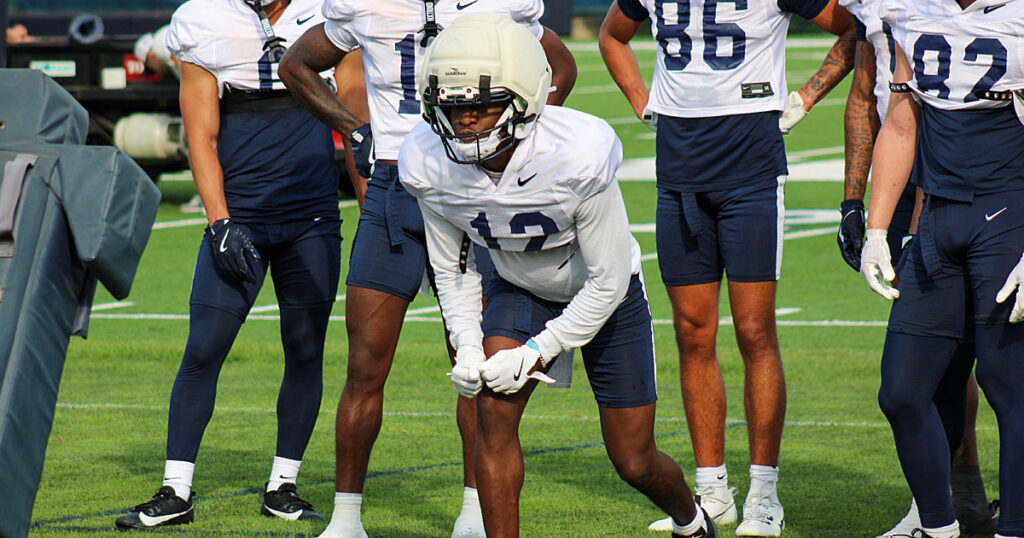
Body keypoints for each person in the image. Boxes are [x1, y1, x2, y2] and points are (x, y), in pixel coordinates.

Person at [396, 14, 715, 538]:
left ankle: (691, 519)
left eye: (481, 105)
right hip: (518, 284)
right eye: (454, 107)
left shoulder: (575, 153)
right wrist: (470, 346)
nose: (466, 121)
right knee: (493, 415)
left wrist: (537, 351)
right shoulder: (428, 162)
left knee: (633, 459)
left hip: (602, 298)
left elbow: (609, 281)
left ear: (525, 98)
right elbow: (451, 268)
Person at [277, 2, 576, 536]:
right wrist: (353, 128)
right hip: (395, 185)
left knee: (479, 365)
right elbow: (295, 65)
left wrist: (518, 139)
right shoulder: (365, 4)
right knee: (365, 363)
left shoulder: (500, 5)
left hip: (471, 186)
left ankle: (473, 512)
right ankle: (346, 519)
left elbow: (560, 66)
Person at [600, 0, 852, 535]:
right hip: (679, 166)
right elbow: (612, 36)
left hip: (751, 165)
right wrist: (643, 101)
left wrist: (806, 96)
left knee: (755, 331)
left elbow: (855, 30)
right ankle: (712, 491)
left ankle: (764, 495)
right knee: (692, 334)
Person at [114, 0, 344, 529]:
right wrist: (219, 221)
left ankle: (283, 486)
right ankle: (175, 492)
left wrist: (375, 207)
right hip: (239, 211)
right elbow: (201, 133)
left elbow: (353, 113)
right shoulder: (203, 17)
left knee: (306, 348)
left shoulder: (330, 9)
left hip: (311, 214)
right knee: (204, 347)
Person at [861, 0, 1024, 536]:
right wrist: (878, 230)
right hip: (938, 216)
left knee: (1009, 385)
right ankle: (938, 527)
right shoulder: (910, 10)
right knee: (902, 391)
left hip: (1009, 211)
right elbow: (902, 124)